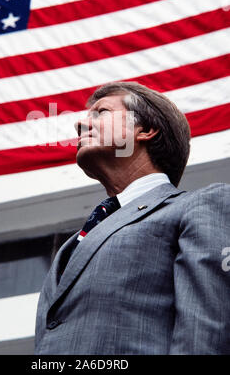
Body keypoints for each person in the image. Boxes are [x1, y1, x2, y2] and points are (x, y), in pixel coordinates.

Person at [35, 81, 230, 355]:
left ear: (146, 131)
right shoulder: (71, 248)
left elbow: (207, 332)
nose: (79, 125)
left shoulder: (199, 206)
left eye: (100, 112)